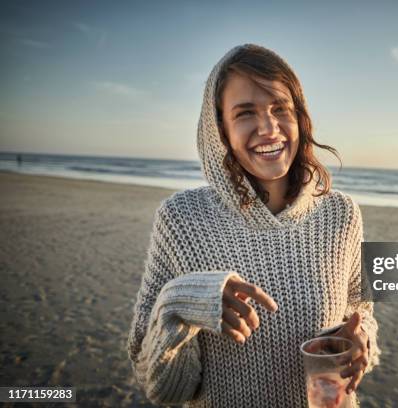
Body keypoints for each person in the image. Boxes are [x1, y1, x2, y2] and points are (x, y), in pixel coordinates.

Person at [126, 43, 380, 407]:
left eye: (280, 108)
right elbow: (163, 389)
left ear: (300, 118)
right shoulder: (181, 220)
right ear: (220, 129)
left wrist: (359, 344)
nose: (269, 127)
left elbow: (362, 314)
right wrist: (180, 304)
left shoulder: (342, 214)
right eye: (245, 113)